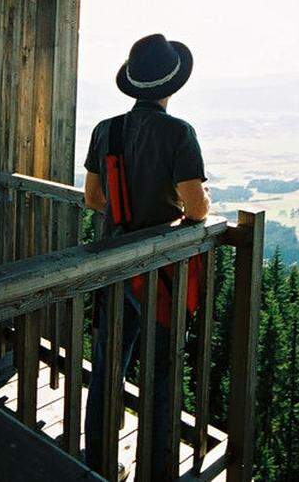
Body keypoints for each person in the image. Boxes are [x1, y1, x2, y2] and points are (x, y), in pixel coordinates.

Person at [82, 33, 210, 480]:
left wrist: (123, 205)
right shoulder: (180, 134)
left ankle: (96, 461)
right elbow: (196, 209)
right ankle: (154, 469)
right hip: (159, 272)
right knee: (159, 372)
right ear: (172, 87)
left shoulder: (106, 129)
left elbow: (93, 199)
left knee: (106, 364)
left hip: (111, 262)